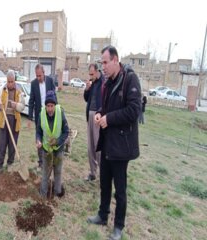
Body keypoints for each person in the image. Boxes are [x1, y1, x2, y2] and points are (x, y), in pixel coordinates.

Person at [87, 46, 141, 240]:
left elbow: (134, 110)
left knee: (120, 188)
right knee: (104, 183)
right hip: (108, 141)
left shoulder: (130, 79)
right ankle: (102, 215)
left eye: (105, 62)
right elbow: (104, 106)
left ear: (116, 60)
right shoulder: (107, 83)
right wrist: (100, 113)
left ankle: (118, 226)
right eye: (101, 62)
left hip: (122, 145)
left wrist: (108, 119)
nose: (103, 66)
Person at [36, 90, 69, 198]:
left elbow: (66, 131)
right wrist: (38, 140)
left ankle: (57, 192)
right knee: (45, 173)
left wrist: (58, 141)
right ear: (45, 106)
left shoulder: (61, 113)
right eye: (48, 106)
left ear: (55, 105)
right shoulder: (41, 114)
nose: (50, 109)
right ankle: (43, 194)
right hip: (46, 149)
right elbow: (39, 132)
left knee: (58, 171)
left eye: (52, 106)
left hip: (58, 149)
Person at [0, 71, 25, 173]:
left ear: (14, 81)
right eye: (8, 81)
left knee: (12, 144)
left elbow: (22, 106)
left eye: (12, 82)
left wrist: (15, 105)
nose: (10, 84)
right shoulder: (2, 90)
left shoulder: (19, 92)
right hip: (4, 120)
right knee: (2, 144)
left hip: (15, 121)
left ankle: (10, 163)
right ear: (6, 81)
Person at [28, 64, 56, 168]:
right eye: (37, 76)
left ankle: (50, 158)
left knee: (50, 135)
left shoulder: (50, 81)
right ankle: (41, 161)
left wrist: (55, 110)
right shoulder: (33, 84)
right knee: (39, 136)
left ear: (44, 73)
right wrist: (30, 118)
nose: (38, 78)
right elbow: (31, 101)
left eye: (40, 75)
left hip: (50, 113)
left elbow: (54, 96)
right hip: (39, 115)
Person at [83, 63, 105, 181]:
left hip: (99, 117)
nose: (90, 76)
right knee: (90, 147)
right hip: (89, 116)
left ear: (97, 71)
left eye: (92, 74)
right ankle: (92, 173)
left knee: (98, 147)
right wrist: (87, 89)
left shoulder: (104, 82)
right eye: (89, 74)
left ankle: (103, 175)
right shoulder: (92, 83)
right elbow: (86, 99)